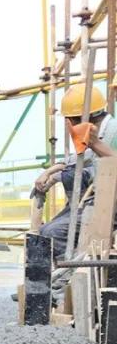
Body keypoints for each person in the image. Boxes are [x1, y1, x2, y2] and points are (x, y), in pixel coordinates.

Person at [36, 83, 117, 261]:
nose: (70, 126)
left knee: (51, 233)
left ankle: (67, 276)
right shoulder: (99, 132)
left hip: (110, 204)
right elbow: (80, 158)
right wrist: (53, 171)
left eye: (71, 121)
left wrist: (96, 145)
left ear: (82, 118)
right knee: (44, 231)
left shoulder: (113, 131)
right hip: (99, 199)